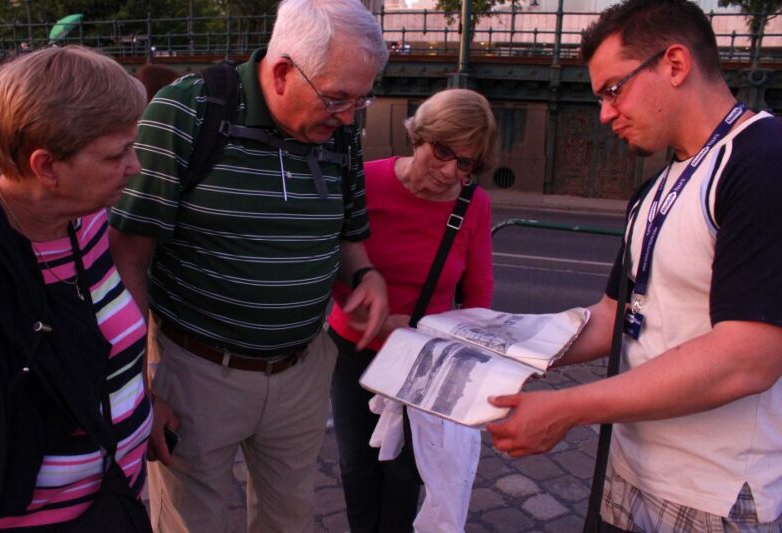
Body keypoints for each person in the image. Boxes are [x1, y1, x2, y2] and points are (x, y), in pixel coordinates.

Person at [487, 0, 782, 530]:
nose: (604, 114)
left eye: (613, 90)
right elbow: (612, 316)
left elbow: (749, 357)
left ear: (674, 64)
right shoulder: (653, 189)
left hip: (717, 492)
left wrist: (566, 408)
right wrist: (501, 345)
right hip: (630, 471)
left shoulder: (764, 161)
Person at [107, 0, 390, 531]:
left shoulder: (340, 129)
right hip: (196, 371)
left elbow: (348, 232)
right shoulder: (188, 112)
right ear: (282, 72)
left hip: (302, 370)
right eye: (337, 98)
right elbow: (127, 259)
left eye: (361, 99)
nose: (350, 115)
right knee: (194, 523)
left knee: (290, 521)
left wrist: (366, 275)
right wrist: (139, 388)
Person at [0, 46, 150, 529]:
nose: (134, 165)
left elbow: (103, 344)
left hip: (113, 500)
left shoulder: (89, 224)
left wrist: (141, 401)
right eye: (117, 154)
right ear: (46, 166)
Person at [328, 88, 497, 532]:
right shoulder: (364, 182)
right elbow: (324, 265)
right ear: (419, 136)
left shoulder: (472, 204)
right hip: (354, 351)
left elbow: (478, 297)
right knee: (357, 466)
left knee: (405, 474)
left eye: (466, 164)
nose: (449, 171)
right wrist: (358, 309)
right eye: (443, 152)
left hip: (425, 359)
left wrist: (420, 328)